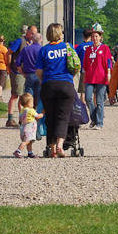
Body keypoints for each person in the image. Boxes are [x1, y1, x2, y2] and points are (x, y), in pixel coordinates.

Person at [37, 23, 78, 158]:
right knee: (63, 116)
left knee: (50, 117)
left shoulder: (44, 50)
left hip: (49, 85)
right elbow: (76, 65)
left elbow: (39, 71)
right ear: (60, 33)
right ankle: (60, 146)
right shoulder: (67, 47)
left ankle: (52, 148)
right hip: (65, 84)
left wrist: (45, 80)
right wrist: (69, 78)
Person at [82, 23, 112, 129]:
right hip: (90, 77)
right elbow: (85, 63)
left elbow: (108, 61)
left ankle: (99, 123)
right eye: (93, 36)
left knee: (99, 101)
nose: (94, 38)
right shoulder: (88, 49)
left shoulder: (105, 48)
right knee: (88, 98)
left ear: (100, 37)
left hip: (101, 76)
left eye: (96, 36)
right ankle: (94, 118)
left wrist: (108, 73)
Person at [6, 25, 36, 127]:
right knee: (15, 95)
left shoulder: (31, 42)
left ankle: (21, 118)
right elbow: (9, 52)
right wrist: (9, 66)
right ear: (27, 32)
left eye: (34, 34)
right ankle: (10, 119)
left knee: (23, 96)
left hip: (25, 72)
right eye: (31, 33)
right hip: (17, 72)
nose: (33, 35)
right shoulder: (20, 41)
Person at [13, 93, 43, 158]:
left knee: (29, 142)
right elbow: (38, 116)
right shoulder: (31, 110)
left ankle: (30, 152)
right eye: (32, 102)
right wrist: (43, 113)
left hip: (23, 128)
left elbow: (20, 119)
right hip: (29, 129)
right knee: (26, 141)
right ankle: (18, 151)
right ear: (28, 103)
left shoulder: (22, 110)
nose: (33, 104)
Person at [17, 32, 43, 106]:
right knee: (39, 94)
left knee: (28, 95)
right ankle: (36, 111)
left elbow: (18, 63)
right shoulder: (42, 50)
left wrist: (22, 73)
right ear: (40, 40)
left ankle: (28, 111)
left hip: (29, 74)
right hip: (40, 75)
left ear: (32, 39)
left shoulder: (26, 49)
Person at [74, 29, 93, 103]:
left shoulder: (80, 46)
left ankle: (83, 106)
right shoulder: (94, 45)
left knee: (83, 91)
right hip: (94, 70)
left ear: (83, 36)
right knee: (94, 91)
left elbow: (75, 57)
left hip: (84, 70)